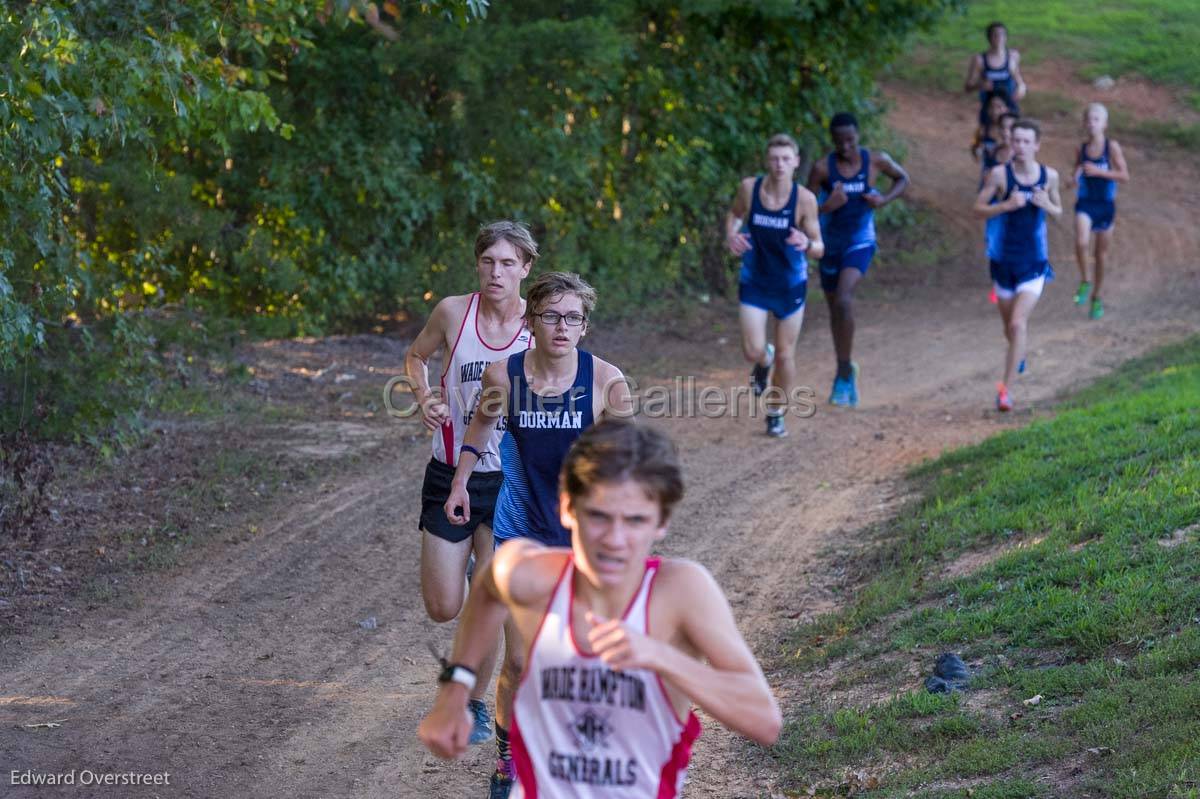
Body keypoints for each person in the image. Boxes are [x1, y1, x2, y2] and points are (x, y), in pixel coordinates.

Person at [419, 419, 782, 797]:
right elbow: (489, 587)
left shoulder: (681, 591)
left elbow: (764, 720)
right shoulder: (530, 574)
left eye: (636, 520)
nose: (615, 539)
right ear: (567, 508)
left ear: (662, 521)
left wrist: (660, 656)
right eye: (598, 516)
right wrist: (456, 689)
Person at [444, 271, 633, 798]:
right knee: (524, 661)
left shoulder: (606, 383)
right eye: (550, 316)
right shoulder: (504, 377)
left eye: (572, 317)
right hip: (521, 534)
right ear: (530, 322)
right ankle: (507, 760)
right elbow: (481, 428)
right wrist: (460, 481)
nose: (561, 327)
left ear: (584, 326)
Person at [404, 220, 537, 744]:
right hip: (449, 474)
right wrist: (423, 397)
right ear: (477, 264)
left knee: (492, 595)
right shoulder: (453, 313)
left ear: (526, 269)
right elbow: (415, 357)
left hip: (510, 480)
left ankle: (473, 703)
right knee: (443, 605)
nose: (496, 272)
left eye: (508, 263)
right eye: (488, 261)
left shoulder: (539, 325)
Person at [807, 112, 910, 407]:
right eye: (840, 142)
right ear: (832, 142)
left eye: (850, 140)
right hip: (828, 244)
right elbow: (804, 209)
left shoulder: (875, 161)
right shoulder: (821, 169)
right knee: (835, 312)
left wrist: (884, 199)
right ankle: (845, 368)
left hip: (860, 240)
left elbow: (903, 178)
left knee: (843, 300)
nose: (846, 148)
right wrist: (828, 206)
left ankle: (843, 376)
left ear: (858, 137)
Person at [724, 133, 824, 437]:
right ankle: (762, 362)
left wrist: (807, 242)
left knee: (786, 354)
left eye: (786, 159)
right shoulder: (749, 189)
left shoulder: (804, 199)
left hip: (790, 285)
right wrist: (732, 235)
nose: (780, 164)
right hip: (755, 280)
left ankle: (776, 411)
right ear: (767, 161)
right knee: (754, 351)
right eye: (774, 158)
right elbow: (734, 214)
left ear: (795, 162)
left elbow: (820, 246)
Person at [973, 119, 1062, 412]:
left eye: (1027, 141)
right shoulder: (999, 175)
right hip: (1002, 262)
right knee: (1009, 329)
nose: (1021, 146)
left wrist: (1046, 204)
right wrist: (1004, 206)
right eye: (1017, 141)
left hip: (1033, 263)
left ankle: (1005, 391)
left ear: (1037, 145)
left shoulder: (1049, 177)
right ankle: (1018, 352)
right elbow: (977, 208)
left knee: (1017, 323)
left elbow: (1059, 211)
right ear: (1011, 143)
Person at [1071, 102, 1129, 320]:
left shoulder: (1111, 147)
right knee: (1081, 242)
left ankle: (1096, 297)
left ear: (1104, 124)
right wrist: (1073, 178)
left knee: (1100, 255)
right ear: (1084, 123)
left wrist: (1099, 172)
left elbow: (1124, 176)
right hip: (1085, 202)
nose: (1092, 123)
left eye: (1096, 119)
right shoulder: (1081, 148)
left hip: (1105, 205)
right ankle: (1085, 280)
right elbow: (1077, 168)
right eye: (1088, 119)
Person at [983, 111, 1017, 304]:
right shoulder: (993, 152)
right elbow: (986, 178)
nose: (1006, 132)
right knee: (993, 243)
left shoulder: (1020, 154)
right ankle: (997, 282)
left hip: (1014, 206)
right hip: (995, 204)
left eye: (1010, 128)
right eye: (1002, 128)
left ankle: (1013, 279)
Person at [963, 21, 1026, 126]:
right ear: (989, 38)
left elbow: (1018, 79)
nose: (999, 37)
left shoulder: (1013, 56)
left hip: (1009, 106)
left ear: (1006, 37)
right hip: (990, 108)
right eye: (995, 34)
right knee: (988, 138)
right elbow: (967, 87)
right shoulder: (980, 60)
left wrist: (1021, 88)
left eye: (1002, 34)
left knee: (1012, 136)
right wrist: (980, 85)